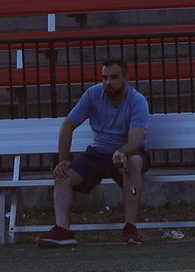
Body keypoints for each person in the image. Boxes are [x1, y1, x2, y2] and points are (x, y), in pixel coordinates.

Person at [40, 55, 150, 246]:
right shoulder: (92, 94)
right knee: (62, 174)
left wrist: (121, 152)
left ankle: (130, 228)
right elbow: (67, 126)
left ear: (126, 78)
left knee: (133, 163)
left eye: (114, 77)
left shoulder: (137, 101)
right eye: (105, 77)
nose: (108, 82)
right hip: (97, 153)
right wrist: (63, 160)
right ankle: (63, 230)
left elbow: (136, 142)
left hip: (128, 152)